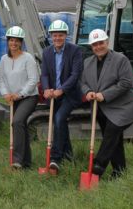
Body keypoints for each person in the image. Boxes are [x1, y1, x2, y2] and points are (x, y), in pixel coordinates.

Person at [81, 29, 133, 179]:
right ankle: (119, 172)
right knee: (115, 140)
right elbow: (82, 82)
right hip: (101, 108)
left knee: (111, 133)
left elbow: (126, 83)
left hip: (123, 106)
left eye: (101, 43)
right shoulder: (87, 63)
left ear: (107, 42)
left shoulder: (120, 60)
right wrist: (88, 91)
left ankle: (97, 168)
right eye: (94, 44)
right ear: (91, 47)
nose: (98, 47)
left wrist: (104, 95)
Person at [40, 20, 83, 172]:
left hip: (70, 95)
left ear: (66, 35)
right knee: (61, 123)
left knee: (58, 119)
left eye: (60, 35)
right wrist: (46, 89)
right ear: (51, 36)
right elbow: (44, 74)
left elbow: (75, 74)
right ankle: (69, 156)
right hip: (53, 95)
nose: (57, 38)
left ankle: (55, 159)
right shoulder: (46, 52)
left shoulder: (75, 50)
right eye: (54, 35)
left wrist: (62, 90)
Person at [0, 26, 39, 169]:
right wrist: (5, 94)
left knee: (17, 122)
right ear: (8, 42)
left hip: (28, 97)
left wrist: (20, 94)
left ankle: (17, 161)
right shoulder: (4, 59)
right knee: (21, 126)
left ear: (21, 42)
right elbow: (1, 79)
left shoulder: (28, 58)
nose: (13, 43)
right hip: (12, 99)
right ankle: (27, 162)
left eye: (17, 41)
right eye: (11, 40)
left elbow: (33, 80)